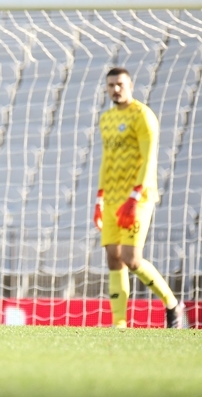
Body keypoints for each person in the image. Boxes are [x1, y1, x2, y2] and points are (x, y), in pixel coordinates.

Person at [93, 67, 184, 329]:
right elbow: (106, 160)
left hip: (138, 197)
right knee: (113, 256)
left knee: (132, 259)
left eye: (120, 84)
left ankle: (172, 304)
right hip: (111, 197)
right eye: (111, 85)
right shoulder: (107, 119)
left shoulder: (143, 116)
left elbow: (149, 159)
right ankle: (119, 323)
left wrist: (134, 196)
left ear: (130, 85)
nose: (115, 89)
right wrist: (99, 198)